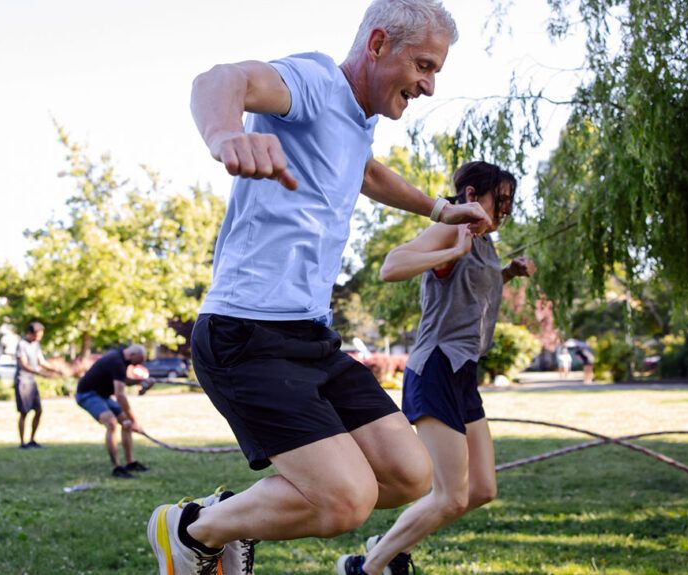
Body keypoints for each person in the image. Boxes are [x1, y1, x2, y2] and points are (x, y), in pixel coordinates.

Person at [146, 2, 496, 574]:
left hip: (311, 337)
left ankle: (229, 518)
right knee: (347, 500)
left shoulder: (358, 119)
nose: (429, 86)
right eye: (424, 66)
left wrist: (439, 208)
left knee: (410, 475)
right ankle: (191, 531)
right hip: (245, 332)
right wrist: (225, 134)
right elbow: (220, 80)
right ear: (378, 43)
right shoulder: (313, 82)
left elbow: (365, 171)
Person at [336, 161, 535, 575]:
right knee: (450, 496)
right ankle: (365, 567)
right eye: (498, 200)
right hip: (437, 367)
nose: (503, 210)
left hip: (463, 372)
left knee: (481, 488)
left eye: (507, 203)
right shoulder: (453, 228)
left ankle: (387, 547)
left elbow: (464, 287)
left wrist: (507, 274)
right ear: (470, 197)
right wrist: (451, 249)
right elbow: (391, 266)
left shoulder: (484, 241)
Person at [74, 345, 152, 479]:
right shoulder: (116, 361)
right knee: (112, 423)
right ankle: (117, 467)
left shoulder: (121, 359)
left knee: (126, 423)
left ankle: (130, 462)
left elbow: (122, 380)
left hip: (103, 395)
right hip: (87, 394)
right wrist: (134, 420)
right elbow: (120, 395)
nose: (140, 364)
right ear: (132, 354)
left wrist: (142, 381)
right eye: (139, 361)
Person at [15, 321, 65, 449]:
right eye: (38, 335)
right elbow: (23, 365)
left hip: (32, 382)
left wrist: (54, 369)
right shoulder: (22, 345)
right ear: (30, 333)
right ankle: (22, 442)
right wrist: (40, 373)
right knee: (24, 412)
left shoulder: (36, 345)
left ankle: (32, 439)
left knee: (38, 410)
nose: (39, 337)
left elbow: (41, 361)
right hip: (22, 382)